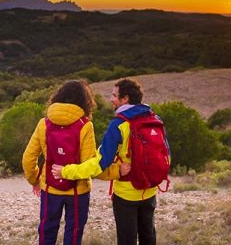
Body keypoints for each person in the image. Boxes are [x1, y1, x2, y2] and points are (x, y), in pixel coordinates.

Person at [52, 78, 168, 245]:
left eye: (114, 95)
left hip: (126, 193)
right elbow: (166, 154)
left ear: (125, 98)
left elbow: (99, 164)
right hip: (150, 190)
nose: (111, 99)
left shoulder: (119, 124)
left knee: (126, 239)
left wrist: (66, 171)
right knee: (148, 235)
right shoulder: (154, 119)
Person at [22, 80, 119, 245]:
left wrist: (35, 180)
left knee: (47, 230)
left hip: (50, 188)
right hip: (78, 191)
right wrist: (117, 172)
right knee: (74, 233)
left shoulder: (43, 124)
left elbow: (28, 159)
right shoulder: (85, 126)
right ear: (85, 101)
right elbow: (92, 165)